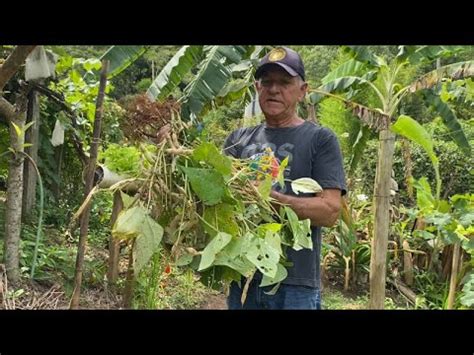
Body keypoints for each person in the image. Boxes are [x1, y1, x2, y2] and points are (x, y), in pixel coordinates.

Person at [223, 46, 347, 309]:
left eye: (284, 82)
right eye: (266, 82)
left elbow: (330, 211)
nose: (274, 89)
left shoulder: (320, 140)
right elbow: (217, 200)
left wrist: (272, 200)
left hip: (294, 285)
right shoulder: (237, 141)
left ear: (303, 90)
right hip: (243, 276)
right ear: (257, 88)